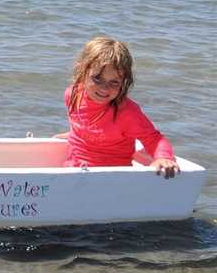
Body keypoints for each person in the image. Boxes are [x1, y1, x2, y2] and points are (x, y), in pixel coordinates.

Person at [53, 36, 179, 178]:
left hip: (112, 177)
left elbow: (154, 139)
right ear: (83, 71)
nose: (104, 89)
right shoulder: (73, 94)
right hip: (72, 169)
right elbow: (83, 119)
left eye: (114, 82)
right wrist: (77, 132)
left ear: (124, 82)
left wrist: (163, 157)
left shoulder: (127, 113)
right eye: (97, 79)